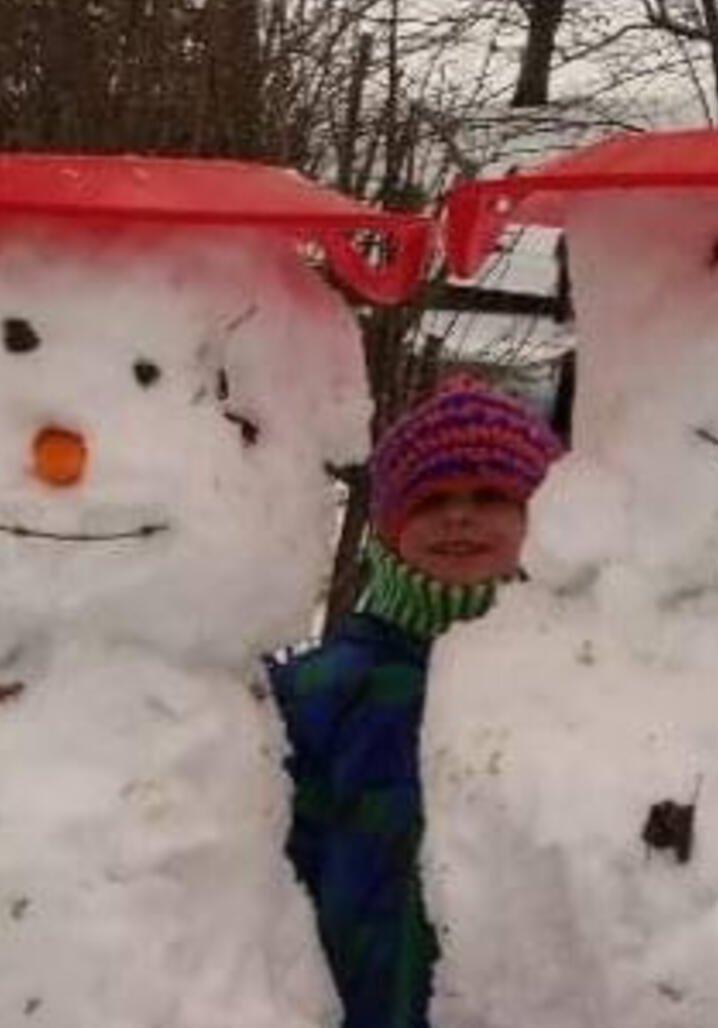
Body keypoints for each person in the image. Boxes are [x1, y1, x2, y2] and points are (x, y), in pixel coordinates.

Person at [268, 374, 564, 1028]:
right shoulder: (322, 691)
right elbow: (265, 879)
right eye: (431, 501)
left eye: (490, 496)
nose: (459, 515)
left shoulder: (575, 683)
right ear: (391, 528)